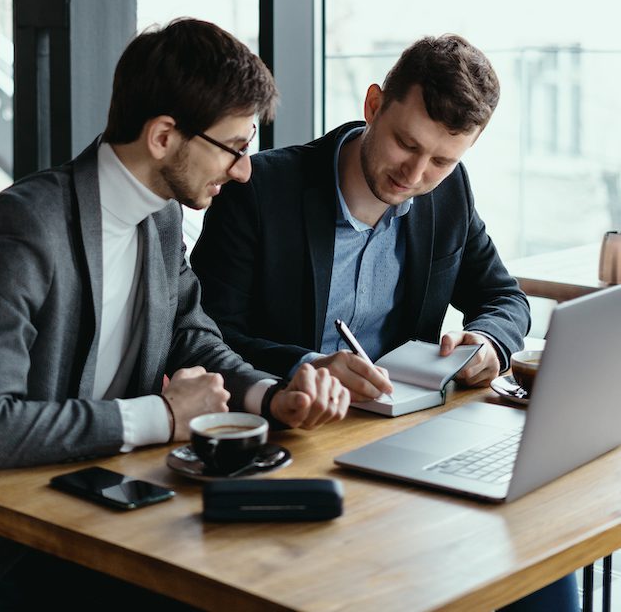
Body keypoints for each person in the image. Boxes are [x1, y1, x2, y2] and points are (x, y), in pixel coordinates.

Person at [0, 17, 349, 612]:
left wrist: (271, 397)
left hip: (110, 514)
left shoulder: (160, 215)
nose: (243, 171)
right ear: (164, 136)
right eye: (235, 148)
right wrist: (162, 415)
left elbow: (191, 335)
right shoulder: (26, 227)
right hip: (11, 551)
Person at [191, 32, 581, 612]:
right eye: (406, 143)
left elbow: (503, 296)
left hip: (405, 442)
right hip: (297, 452)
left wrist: (490, 344)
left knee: (541, 559)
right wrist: (308, 366)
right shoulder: (260, 191)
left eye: (443, 160)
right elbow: (206, 335)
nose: (416, 175)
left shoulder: (448, 195)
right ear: (373, 105)